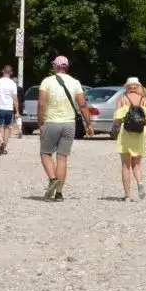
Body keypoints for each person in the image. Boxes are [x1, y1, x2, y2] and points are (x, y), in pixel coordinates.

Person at [37, 55, 94, 202]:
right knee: (62, 158)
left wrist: (40, 122)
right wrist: (88, 124)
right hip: (69, 124)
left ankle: (52, 179)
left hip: (51, 122)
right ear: (66, 67)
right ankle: (59, 194)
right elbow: (82, 105)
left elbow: (42, 104)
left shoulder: (47, 82)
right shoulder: (75, 82)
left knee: (45, 154)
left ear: (55, 66)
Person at [114, 77, 146, 202]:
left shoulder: (122, 99)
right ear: (137, 86)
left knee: (125, 166)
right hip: (140, 134)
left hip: (126, 134)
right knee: (137, 164)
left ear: (127, 86)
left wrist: (118, 125)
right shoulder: (144, 100)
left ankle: (127, 196)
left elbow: (117, 119)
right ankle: (140, 183)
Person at [0, 66, 20, 155]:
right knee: (7, 128)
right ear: (11, 73)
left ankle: (1, 143)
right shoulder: (13, 84)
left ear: (3, 71)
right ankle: (5, 146)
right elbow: (15, 99)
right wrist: (17, 111)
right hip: (9, 109)